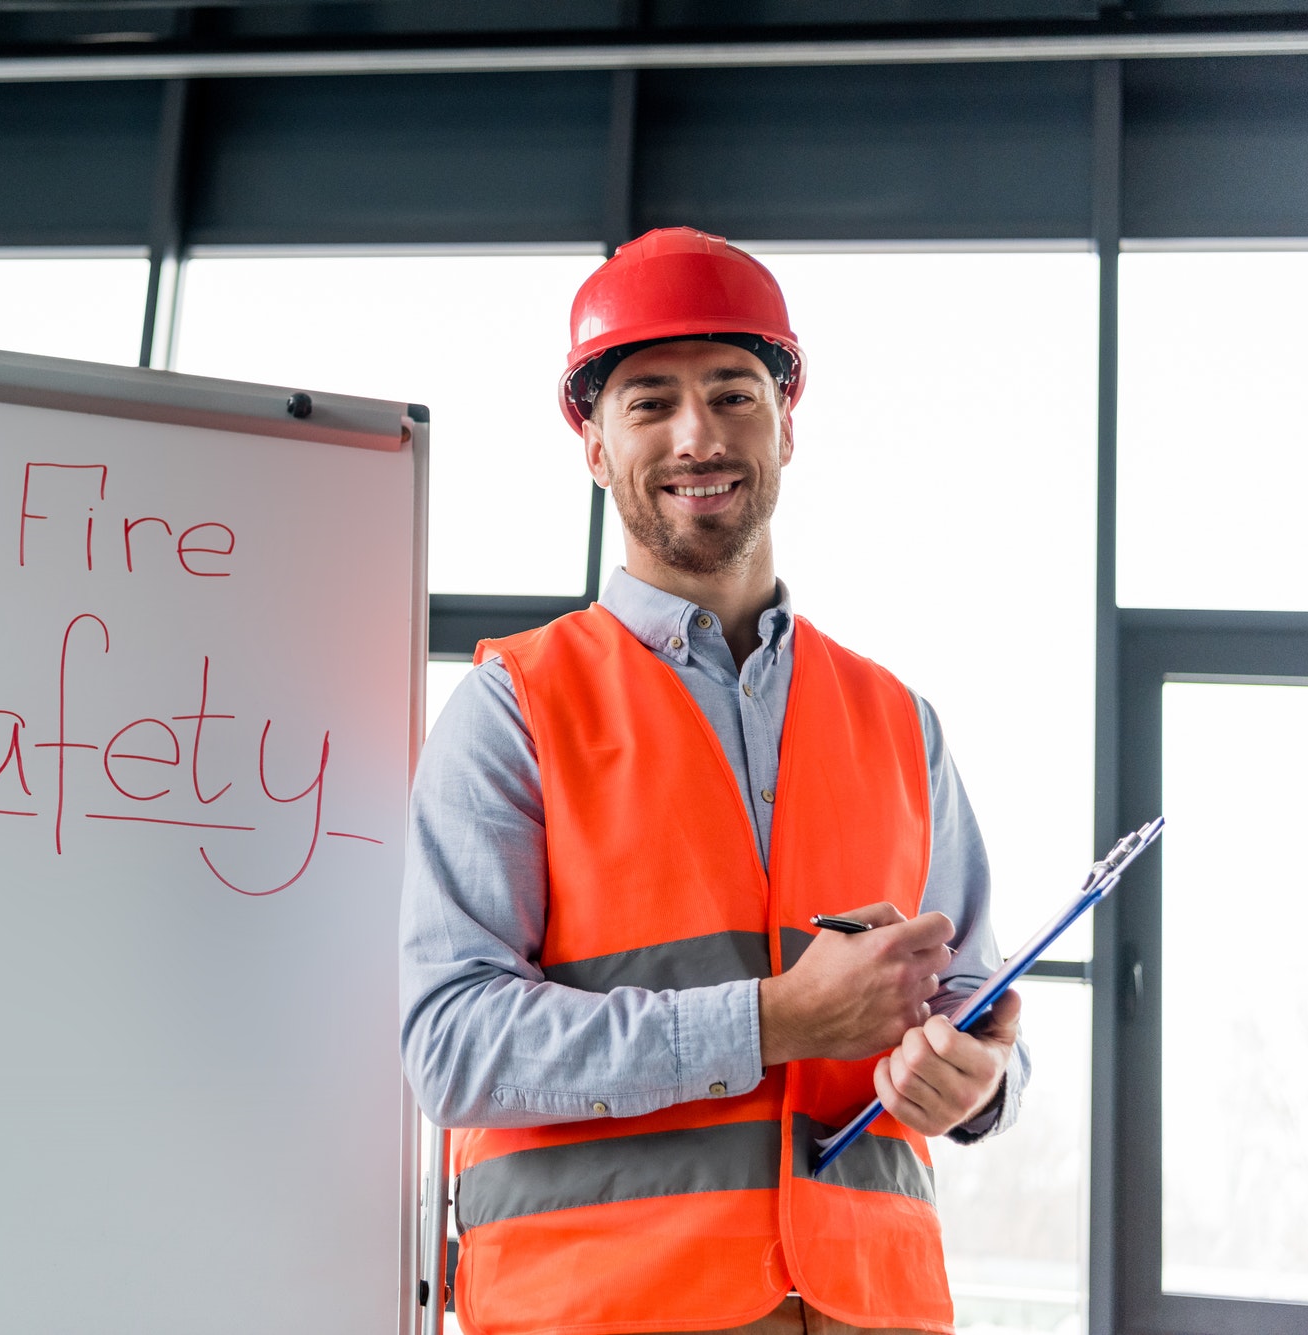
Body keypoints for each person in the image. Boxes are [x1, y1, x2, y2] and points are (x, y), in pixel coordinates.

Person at [399, 228, 1029, 1335]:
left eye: (733, 393)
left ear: (787, 424)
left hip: (869, 1312)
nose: (698, 434)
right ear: (593, 448)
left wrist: (978, 1087)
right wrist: (773, 1020)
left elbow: (974, 1016)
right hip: (605, 1315)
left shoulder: (896, 721)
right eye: (648, 402)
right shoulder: (514, 709)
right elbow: (450, 1047)